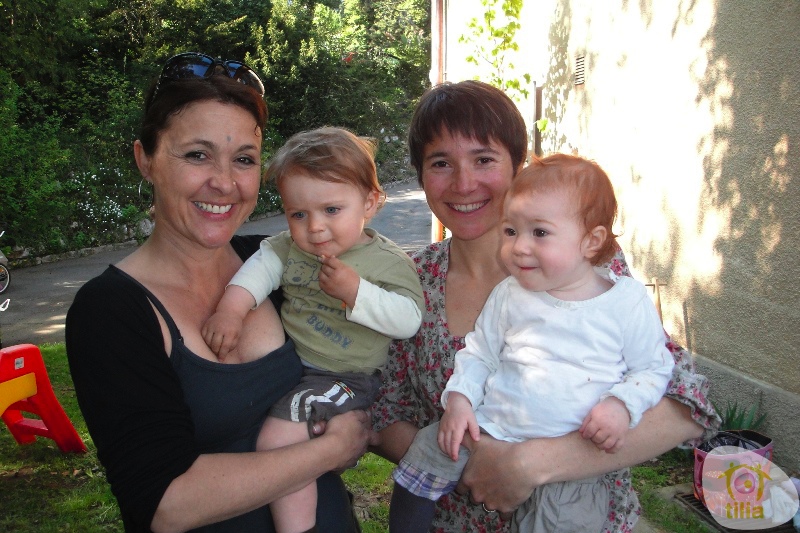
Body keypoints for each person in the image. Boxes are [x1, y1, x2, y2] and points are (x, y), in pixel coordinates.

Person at [371, 80, 721, 533]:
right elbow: (383, 414)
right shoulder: (409, 282)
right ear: (421, 176)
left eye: (483, 159)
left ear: (517, 166)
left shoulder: (588, 267)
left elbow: (684, 404)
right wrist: (477, 465)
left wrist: (529, 464)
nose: (463, 183)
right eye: (441, 163)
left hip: (574, 513)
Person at [66, 52, 372, 533]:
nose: (225, 183)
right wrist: (331, 450)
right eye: (197, 155)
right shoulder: (111, 311)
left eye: (243, 160)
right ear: (145, 159)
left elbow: (376, 349)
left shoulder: (279, 263)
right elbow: (165, 504)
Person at [389, 154, 676, 533]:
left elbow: (654, 369)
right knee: (424, 458)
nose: (520, 246)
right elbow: (479, 354)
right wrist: (459, 400)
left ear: (591, 241)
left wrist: (622, 404)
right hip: (488, 429)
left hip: (570, 461)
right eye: (511, 231)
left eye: (539, 233)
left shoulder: (623, 301)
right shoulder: (511, 293)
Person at [202, 126, 424, 533]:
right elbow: (257, 273)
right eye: (298, 214)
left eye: (331, 210)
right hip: (294, 368)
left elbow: (408, 320)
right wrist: (230, 312)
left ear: (369, 202)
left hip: (344, 376)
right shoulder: (289, 248)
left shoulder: (388, 262)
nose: (315, 227)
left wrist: (356, 293)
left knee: (277, 441)